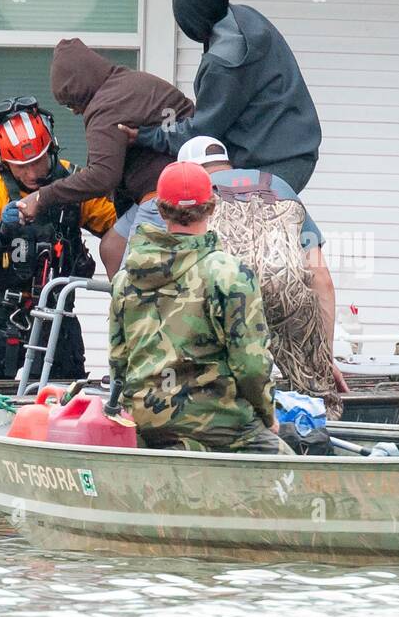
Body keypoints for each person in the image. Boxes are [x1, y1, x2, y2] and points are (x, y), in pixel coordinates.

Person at [114, 136, 346, 414]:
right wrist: (322, 358)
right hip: (288, 290)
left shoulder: (193, 197)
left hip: (229, 294)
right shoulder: (280, 187)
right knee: (317, 400)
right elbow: (321, 277)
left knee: (229, 387)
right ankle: (324, 432)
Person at [108, 161, 293, 454]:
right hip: (218, 421)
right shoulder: (228, 273)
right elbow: (250, 365)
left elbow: (118, 361)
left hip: (145, 419)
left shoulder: (125, 278)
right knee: (290, 467)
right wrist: (267, 415)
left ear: (160, 209)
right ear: (212, 206)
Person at [118, 0, 322, 193]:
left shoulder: (224, 63)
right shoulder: (246, 17)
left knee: (213, 207)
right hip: (297, 151)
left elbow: (201, 133)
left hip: (270, 164)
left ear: (192, 24)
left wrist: (145, 135)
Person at [0, 101, 115, 380]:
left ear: (51, 148)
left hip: (57, 319)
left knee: (62, 400)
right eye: (21, 166)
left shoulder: (74, 183)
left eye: (38, 161)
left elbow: (116, 225)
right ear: (5, 163)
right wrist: (1, 232)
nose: (31, 173)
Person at [18, 38, 194, 276]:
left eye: (70, 103)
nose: (75, 111)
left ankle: (131, 300)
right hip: (194, 187)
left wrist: (42, 197)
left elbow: (102, 176)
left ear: (79, 89)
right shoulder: (133, 82)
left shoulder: (105, 107)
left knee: (135, 282)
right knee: (113, 247)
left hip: (165, 199)